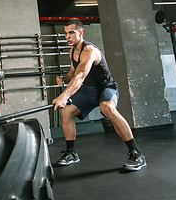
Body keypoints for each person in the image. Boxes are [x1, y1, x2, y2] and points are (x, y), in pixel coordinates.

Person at [52, 18, 146, 171]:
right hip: (88, 90)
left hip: (105, 87)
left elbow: (81, 75)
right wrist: (65, 78)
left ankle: (136, 154)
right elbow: (73, 73)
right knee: (66, 111)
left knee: (107, 108)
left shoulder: (89, 50)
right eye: (65, 33)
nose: (67, 37)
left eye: (71, 33)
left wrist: (64, 95)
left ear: (81, 33)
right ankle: (71, 153)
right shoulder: (72, 51)